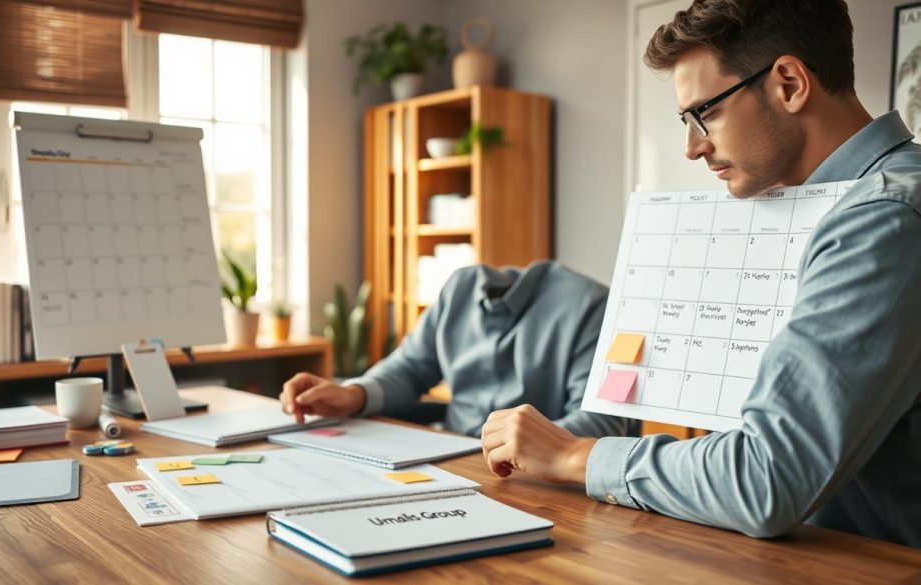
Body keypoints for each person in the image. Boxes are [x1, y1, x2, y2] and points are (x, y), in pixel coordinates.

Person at [480, 0, 921, 548]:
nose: (692, 147)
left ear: (788, 83)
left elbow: (766, 477)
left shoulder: (884, 219)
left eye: (705, 112)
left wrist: (574, 454)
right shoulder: (823, 209)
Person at [280, 260, 632, 439]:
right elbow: (409, 367)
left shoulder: (593, 306)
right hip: (455, 462)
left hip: (541, 485)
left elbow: (604, 421)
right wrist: (353, 394)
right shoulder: (460, 288)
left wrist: (532, 447)